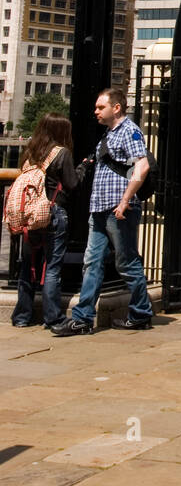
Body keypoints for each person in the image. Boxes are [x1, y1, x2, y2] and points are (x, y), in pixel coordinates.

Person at [52, 87, 153, 336]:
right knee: (91, 263)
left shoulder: (129, 131)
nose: (95, 111)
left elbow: (142, 165)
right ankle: (83, 318)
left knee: (126, 262)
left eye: (100, 107)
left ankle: (141, 313)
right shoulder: (107, 135)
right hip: (99, 208)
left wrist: (125, 200)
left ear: (116, 108)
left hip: (119, 208)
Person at [10, 114, 79, 330]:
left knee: (28, 266)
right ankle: (53, 318)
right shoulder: (62, 153)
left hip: (31, 217)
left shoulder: (30, 153)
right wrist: (82, 170)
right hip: (53, 213)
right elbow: (72, 184)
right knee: (51, 267)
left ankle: (22, 316)